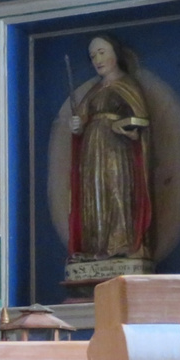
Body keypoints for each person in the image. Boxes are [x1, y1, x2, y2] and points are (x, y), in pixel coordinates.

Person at [67, 34, 151, 261]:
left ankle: (120, 243)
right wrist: (77, 126)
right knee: (92, 193)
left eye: (102, 52)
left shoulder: (127, 85)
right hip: (91, 150)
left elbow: (141, 120)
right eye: (93, 55)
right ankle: (95, 247)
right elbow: (81, 119)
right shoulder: (94, 90)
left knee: (115, 189)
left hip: (117, 148)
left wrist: (126, 129)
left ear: (116, 54)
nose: (97, 59)